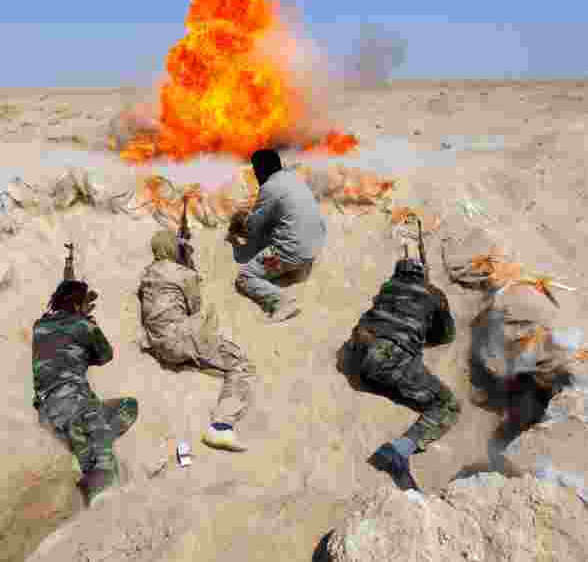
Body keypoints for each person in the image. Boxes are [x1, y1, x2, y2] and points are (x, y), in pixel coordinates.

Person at [138, 230, 257, 452]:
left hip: (157, 343)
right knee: (241, 364)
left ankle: (202, 360)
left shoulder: (147, 274)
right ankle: (221, 428)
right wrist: (190, 267)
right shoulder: (184, 274)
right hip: (179, 341)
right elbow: (195, 307)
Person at [349, 256, 459, 493]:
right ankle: (399, 451)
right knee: (448, 405)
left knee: (385, 372)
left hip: (359, 355)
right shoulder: (433, 294)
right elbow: (446, 336)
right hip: (390, 358)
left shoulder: (388, 286)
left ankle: (380, 380)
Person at [32, 279, 138, 508]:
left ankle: (78, 445)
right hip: (78, 405)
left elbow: (57, 335)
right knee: (124, 412)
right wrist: (87, 321)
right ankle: (97, 481)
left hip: (46, 412)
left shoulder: (39, 326)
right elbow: (105, 355)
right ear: (79, 304)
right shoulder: (84, 326)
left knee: (83, 428)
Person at [230, 149, 326, 322]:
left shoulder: (269, 188)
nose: (256, 175)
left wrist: (237, 226)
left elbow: (252, 228)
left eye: (256, 171)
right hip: (315, 246)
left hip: (292, 252)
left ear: (262, 170)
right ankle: (296, 267)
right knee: (273, 229)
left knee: (245, 277)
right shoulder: (293, 178)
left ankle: (282, 303)